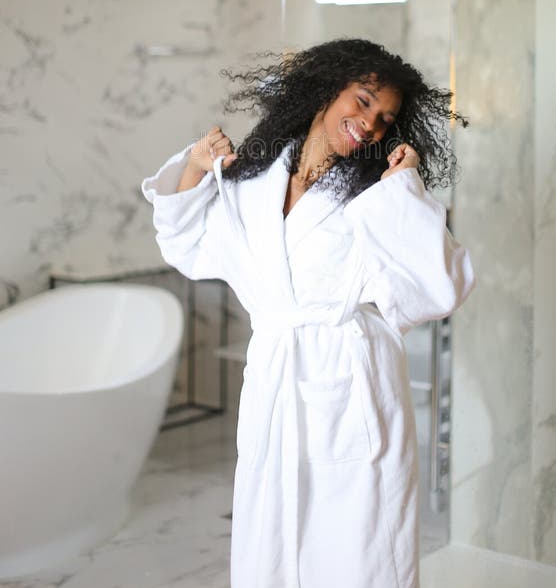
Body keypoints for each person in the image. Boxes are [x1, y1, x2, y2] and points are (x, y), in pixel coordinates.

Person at [141, 38, 476, 588]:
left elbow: (441, 288)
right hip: (275, 378)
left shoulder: (377, 190)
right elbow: (185, 242)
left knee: (360, 549)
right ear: (327, 89)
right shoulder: (255, 177)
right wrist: (199, 167)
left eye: (384, 117)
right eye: (363, 101)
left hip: (353, 383)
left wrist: (404, 189)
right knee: (272, 542)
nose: (370, 123)